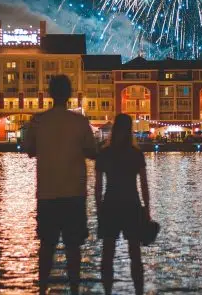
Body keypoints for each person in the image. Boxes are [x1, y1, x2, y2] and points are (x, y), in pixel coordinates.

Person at [23, 75, 98, 295]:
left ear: (49, 94)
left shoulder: (38, 121)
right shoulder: (80, 122)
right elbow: (91, 152)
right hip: (74, 193)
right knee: (74, 247)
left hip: (47, 194)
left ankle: (43, 289)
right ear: (70, 94)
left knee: (46, 246)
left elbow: (29, 150)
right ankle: (74, 289)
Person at [95, 114, 151, 295]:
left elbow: (98, 186)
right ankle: (138, 290)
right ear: (130, 130)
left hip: (110, 204)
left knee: (107, 254)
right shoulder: (135, 154)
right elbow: (143, 184)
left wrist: (98, 209)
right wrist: (147, 210)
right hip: (132, 204)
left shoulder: (104, 153)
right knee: (135, 254)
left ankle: (107, 290)